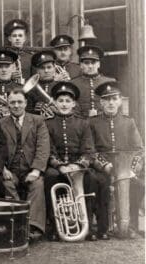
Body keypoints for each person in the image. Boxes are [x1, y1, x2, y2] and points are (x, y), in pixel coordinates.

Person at [44, 82, 98, 241]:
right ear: (54, 102)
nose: (64, 104)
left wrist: (78, 165)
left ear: (74, 103)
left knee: (91, 179)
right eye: (60, 101)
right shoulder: (47, 123)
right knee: (50, 178)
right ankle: (55, 227)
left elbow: (89, 150)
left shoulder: (83, 123)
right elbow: (48, 150)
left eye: (68, 101)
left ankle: (86, 225)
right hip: (57, 167)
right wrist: (59, 166)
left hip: (77, 166)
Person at [90, 81, 144, 239]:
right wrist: (103, 164)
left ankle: (130, 225)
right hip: (103, 166)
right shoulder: (93, 123)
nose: (111, 103)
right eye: (107, 99)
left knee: (138, 185)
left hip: (125, 166)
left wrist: (132, 170)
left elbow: (139, 149)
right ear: (101, 103)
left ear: (120, 101)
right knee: (100, 182)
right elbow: (90, 149)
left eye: (114, 99)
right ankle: (104, 226)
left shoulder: (129, 122)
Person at [0, 88, 49, 241]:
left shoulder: (38, 121)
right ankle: (15, 224)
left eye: (19, 102)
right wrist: (2, 168)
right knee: (7, 183)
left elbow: (43, 147)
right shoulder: (1, 123)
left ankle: (33, 227)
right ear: (7, 104)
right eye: (12, 102)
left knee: (37, 184)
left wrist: (36, 170)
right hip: (11, 169)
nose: (16, 105)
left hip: (31, 168)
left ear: (26, 103)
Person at [70, 45, 116, 118]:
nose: (90, 66)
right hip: (81, 124)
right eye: (86, 63)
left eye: (93, 62)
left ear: (98, 64)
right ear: (81, 65)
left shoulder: (109, 82)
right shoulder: (73, 84)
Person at [0, 49, 23, 118]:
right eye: (0, 67)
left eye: (7, 66)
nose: (4, 70)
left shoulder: (21, 88)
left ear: (13, 68)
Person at [26, 50, 60, 115]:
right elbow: (26, 113)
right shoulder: (30, 90)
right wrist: (34, 110)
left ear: (54, 68)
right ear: (37, 70)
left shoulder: (60, 86)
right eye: (42, 68)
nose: (46, 71)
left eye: (49, 67)